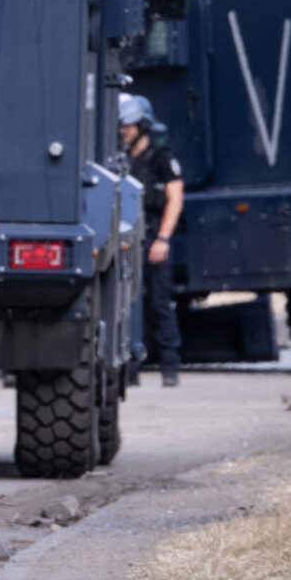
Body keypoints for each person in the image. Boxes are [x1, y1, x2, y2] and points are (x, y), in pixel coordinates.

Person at [119, 93, 183, 386]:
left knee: (160, 303)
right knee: (130, 305)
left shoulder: (162, 159)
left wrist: (163, 239)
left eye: (128, 125)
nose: (123, 131)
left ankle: (170, 367)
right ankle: (130, 368)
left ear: (142, 126)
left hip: (154, 238)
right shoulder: (118, 161)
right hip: (127, 241)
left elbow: (175, 199)